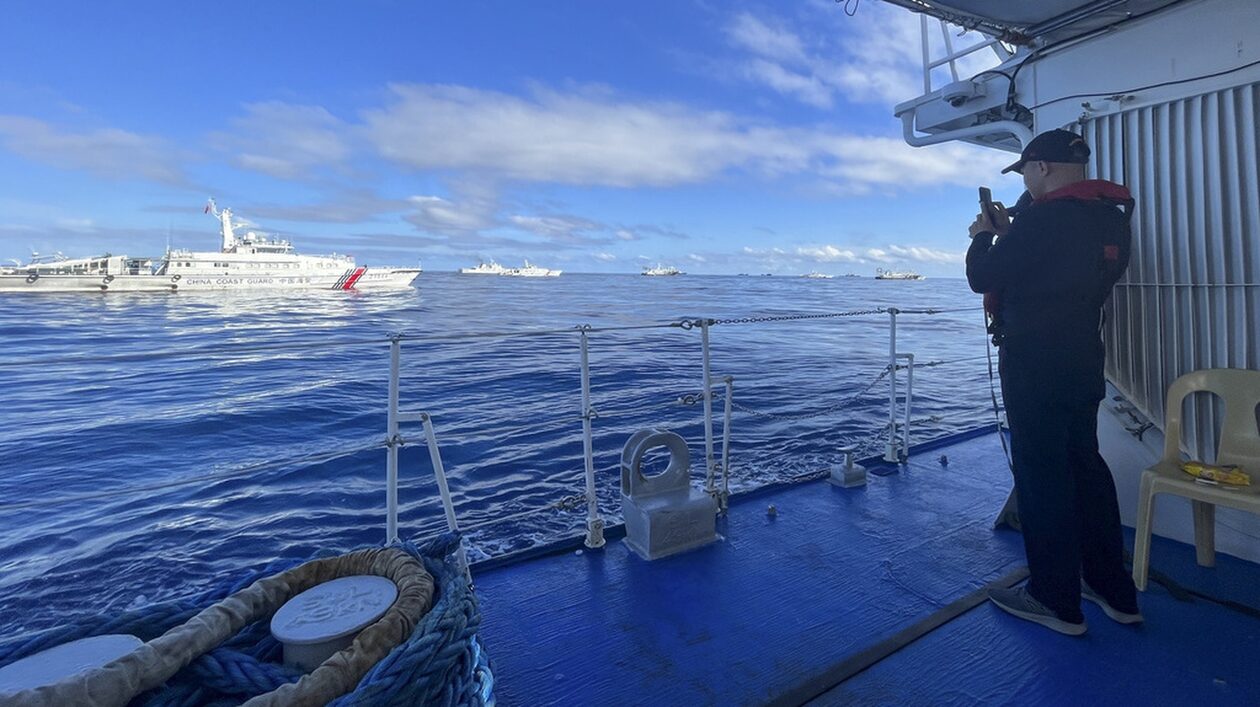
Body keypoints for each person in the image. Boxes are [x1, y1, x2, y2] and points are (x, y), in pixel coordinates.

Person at [966, 128, 1142, 636]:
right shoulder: (1112, 218)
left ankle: (1054, 600)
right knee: (1085, 465)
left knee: (1042, 474)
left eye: (1024, 170)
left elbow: (984, 276)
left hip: (1034, 363)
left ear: (1040, 167)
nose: (1025, 179)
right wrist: (1013, 230)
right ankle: (1113, 590)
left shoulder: (1042, 220)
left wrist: (984, 234)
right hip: (1083, 357)